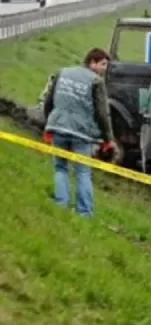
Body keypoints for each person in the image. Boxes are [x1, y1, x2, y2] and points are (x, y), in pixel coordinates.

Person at [43, 48, 117, 217]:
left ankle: (60, 203)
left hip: (58, 128)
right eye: (103, 64)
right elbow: (102, 113)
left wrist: (49, 124)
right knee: (83, 172)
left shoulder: (62, 73)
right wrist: (108, 138)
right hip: (81, 133)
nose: (105, 68)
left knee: (60, 168)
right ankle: (84, 211)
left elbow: (49, 101)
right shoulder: (96, 81)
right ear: (92, 62)